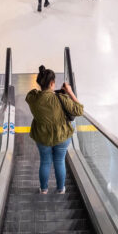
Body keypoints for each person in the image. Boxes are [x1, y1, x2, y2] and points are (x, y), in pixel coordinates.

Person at [25, 65, 83, 194]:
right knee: (59, 160)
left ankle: (44, 189)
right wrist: (69, 92)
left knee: (45, 161)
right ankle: (60, 189)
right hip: (61, 136)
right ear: (52, 83)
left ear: (39, 83)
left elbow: (37, 94)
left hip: (42, 136)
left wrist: (53, 92)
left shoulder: (33, 98)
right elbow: (79, 110)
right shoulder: (62, 98)